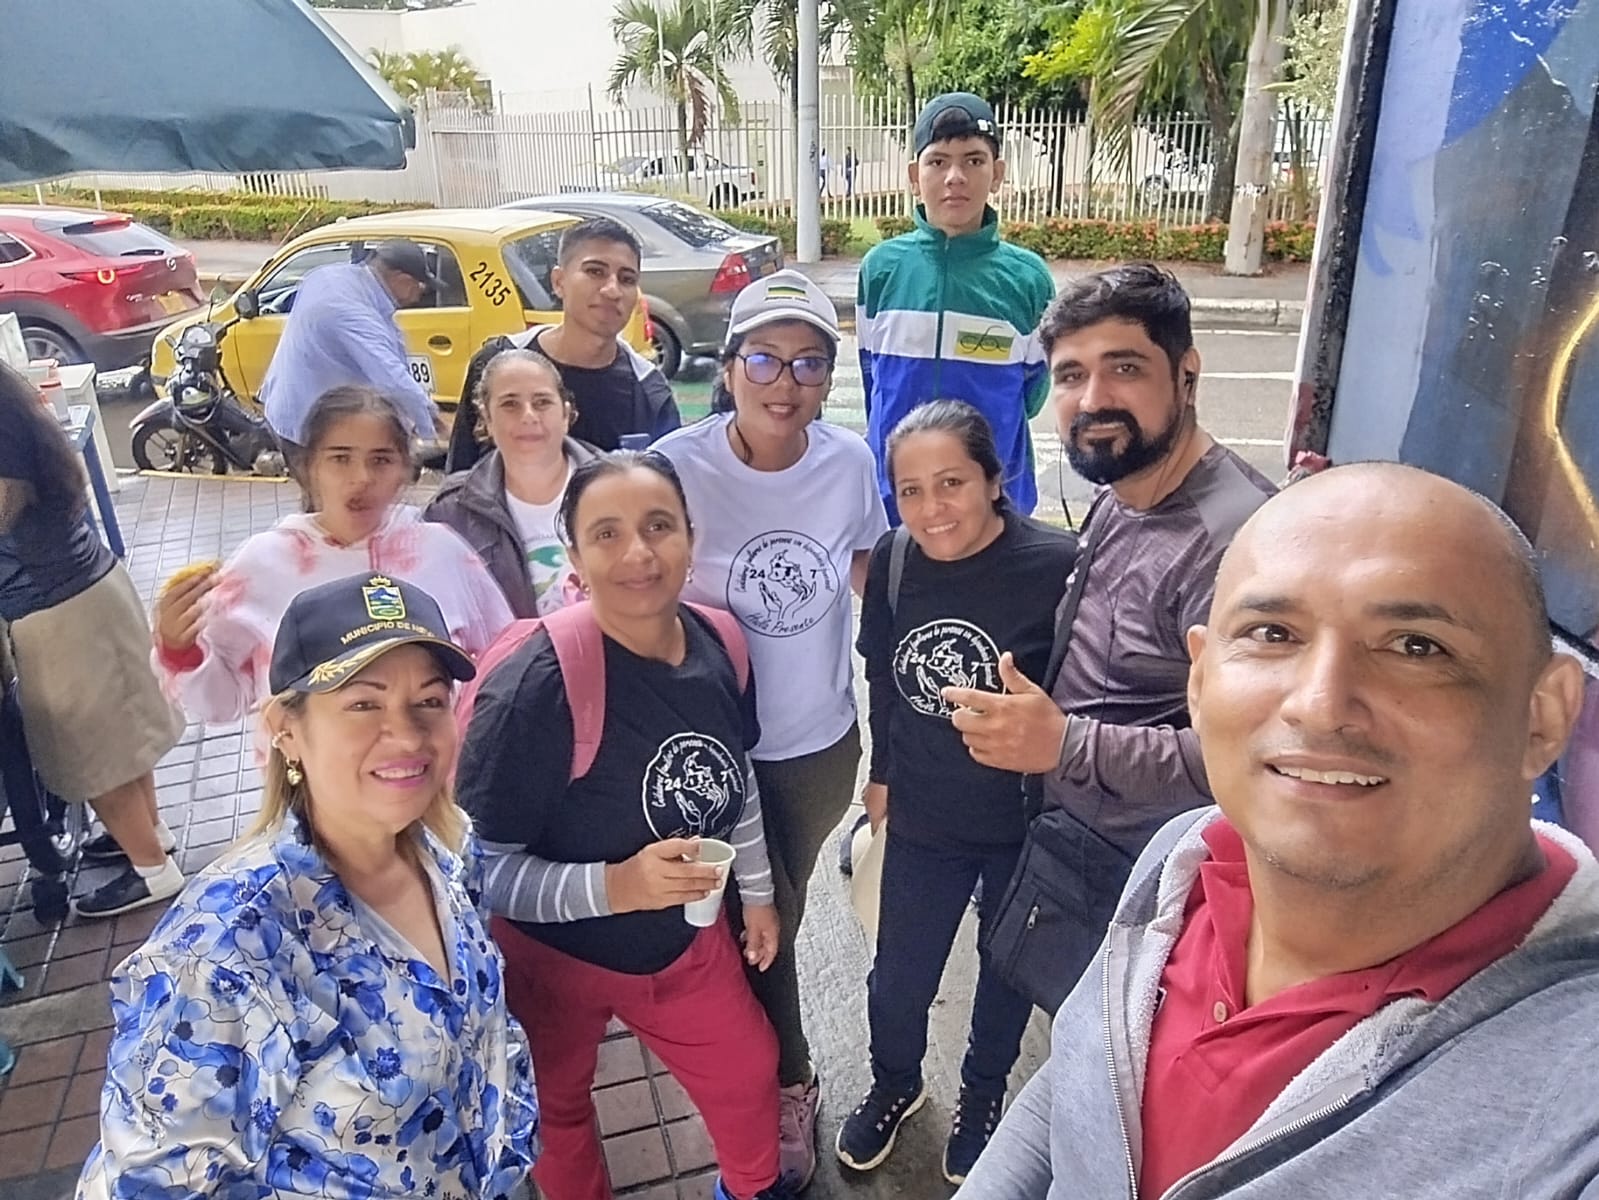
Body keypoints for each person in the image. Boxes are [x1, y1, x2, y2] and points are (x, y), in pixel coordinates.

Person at [954, 462, 1599, 1198]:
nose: (1320, 705)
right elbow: (1076, 1087)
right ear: (1199, 681)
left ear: (1543, 716)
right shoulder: (1184, 860)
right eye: (1272, 633)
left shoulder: (1571, 1099)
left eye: (1415, 646)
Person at [77, 573, 540, 1200]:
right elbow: (145, 1185)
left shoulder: (451, 851)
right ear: (286, 729)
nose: (408, 735)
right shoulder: (227, 948)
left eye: (429, 701)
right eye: (364, 704)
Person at [456, 453, 791, 1200]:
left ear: (690, 538)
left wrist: (759, 895)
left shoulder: (720, 642)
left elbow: (732, 780)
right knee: (554, 1111)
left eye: (658, 525)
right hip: (549, 964)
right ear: (574, 557)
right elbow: (477, 871)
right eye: (606, 533)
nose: (639, 552)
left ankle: (749, 1189)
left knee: (747, 1072)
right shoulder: (535, 689)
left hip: (683, 948)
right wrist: (617, 886)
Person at [941, 263, 1275, 983]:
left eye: (1124, 368)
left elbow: (1249, 758)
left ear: (1186, 375)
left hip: (1150, 889)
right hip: (1073, 847)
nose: (1093, 399)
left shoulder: (1237, 545)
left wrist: (1065, 743)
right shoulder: (1126, 483)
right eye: (1070, 375)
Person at [654, 269, 890, 1187]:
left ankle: (782, 1083)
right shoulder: (676, 464)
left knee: (767, 918)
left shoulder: (847, 463)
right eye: (763, 358)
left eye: (807, 363)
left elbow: (875, 578)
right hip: (700, 749)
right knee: (734, 920)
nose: (784, 382)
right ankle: (765, 1072)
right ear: (729, 367)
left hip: (812, 749)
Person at [839, 401, 1077, 1183]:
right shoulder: (894, 560)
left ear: (993, 480)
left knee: (1005, 979)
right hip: (923, 818)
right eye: (910, 490)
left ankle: (982, 1094)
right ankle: (895, 1082)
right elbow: (882, 676)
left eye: (951, 483)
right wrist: (880, 775)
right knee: (897, 978)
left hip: (1023, 825)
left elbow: (1086, 694)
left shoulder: (1056, 565)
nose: (931, 508)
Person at [155, 385, 513, 729]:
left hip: (435, 766)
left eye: (381, 460)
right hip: (310, 773)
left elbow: (506, 661)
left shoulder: (443, 553)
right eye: (340, 459)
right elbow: (220, 703)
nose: (362, 477)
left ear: (405, 471)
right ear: (309, 468)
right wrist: (179, 650)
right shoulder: (262, 564)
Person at [0, 365, 186, 918]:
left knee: (96, 758)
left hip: (59, 615)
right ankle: (151, 836)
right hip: (97, 590)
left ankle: (152, 870)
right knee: (121, 739)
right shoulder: (18, 416)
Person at [857, 92, 1055, 522]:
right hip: (896, 503)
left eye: (973, 160)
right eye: (938, 161)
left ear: (997, 173)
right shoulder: (881, 270)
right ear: (915, 175)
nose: (955, 177)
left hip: (995, 506)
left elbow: (1032, 391)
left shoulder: (1028, 279)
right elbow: (875, 380)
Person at [447, 216, 678, 471]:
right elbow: (460, 478)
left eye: (627, 279)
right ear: (558, 282)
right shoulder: (499, 365)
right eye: (595, 272)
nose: (612, 290)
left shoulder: (649, 393)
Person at [424, 348, 597, 618]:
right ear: (487, 419)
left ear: (565, 414)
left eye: (542, 402)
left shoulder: (621, 488)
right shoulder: (451, 512)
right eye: (510, 404)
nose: (528, 415)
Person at [260, 239, 443, 471]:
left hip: (294, 409)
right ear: (403, 280)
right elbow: (392, 378)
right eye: (420, 286)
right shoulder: (351, 310)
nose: (419, 295)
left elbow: (394, 354)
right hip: (310, 424)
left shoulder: (332, 277)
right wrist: (431, 432)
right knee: (343, 490)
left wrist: (424, 412)